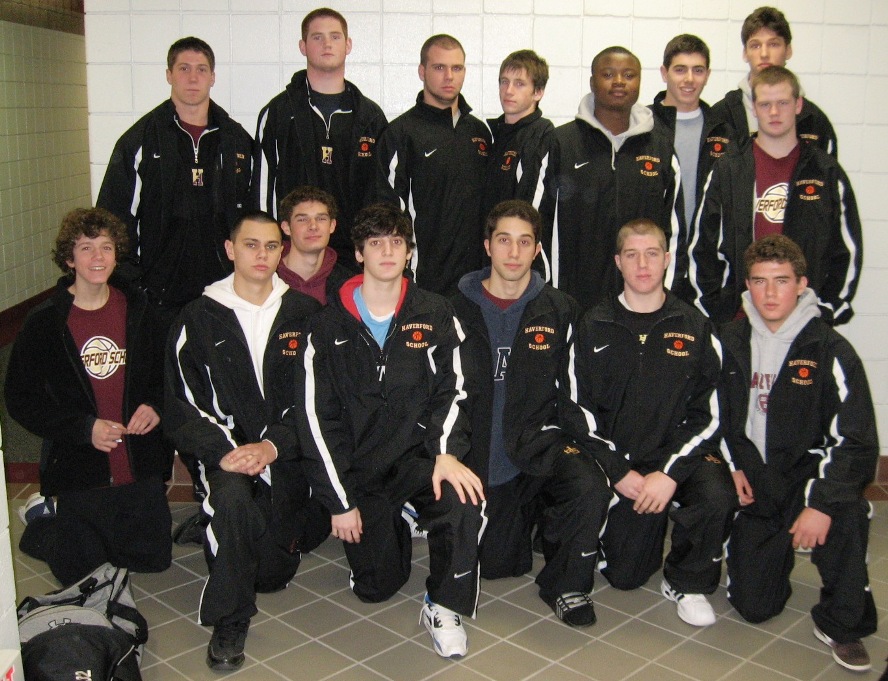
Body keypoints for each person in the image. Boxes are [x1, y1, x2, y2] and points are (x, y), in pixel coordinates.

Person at [298, 202, 485, 658]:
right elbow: (316, 418)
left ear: (408, 252)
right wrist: (341, 502)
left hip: (419, 458)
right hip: (362, 470)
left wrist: (445, 453)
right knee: (376, 587)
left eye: (397, 242)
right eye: (376, 242)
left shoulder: (435, 312)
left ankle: (444, 605)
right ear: (358, 253)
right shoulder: (326, 326)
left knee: (462, 499)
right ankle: (392, 521)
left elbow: (456, 389)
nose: (387, 251)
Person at [165, 212, 330, 671]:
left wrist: (273, 446)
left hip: (286, 454)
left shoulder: (304, 314)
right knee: (234, 500)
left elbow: (318, 396)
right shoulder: (197, 317)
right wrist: (226, 452)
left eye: (272, 246)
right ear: (230, 249)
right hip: (227, 457)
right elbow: (182, 404)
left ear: (282, 252)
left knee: (273, 574)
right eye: (251, 245)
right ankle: (229, 618)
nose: (262, 255)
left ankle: (228, 527)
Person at [563, 219, 736, 627]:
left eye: (652, 254)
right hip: (621, 463)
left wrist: (669, 473)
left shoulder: (694, 325)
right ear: (618, 262)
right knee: (625, 576)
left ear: (667, 259)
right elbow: (575, 409)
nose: (642, 265)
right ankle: (622, 528)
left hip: (677, 459)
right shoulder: (593, 324)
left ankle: (687, 581)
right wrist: (617, 471)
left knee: (717, 494)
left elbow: (711, 412)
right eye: (632, 255)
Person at [719, 234, 878, 673]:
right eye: (759, 281)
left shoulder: (830, 350)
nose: (769, 293)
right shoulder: (727, 341)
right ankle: (757, 548)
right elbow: (710, 414)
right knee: (754, 606)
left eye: (782, 281)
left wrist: (820, 504)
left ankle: (842, 623)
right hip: (755, 479)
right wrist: (731, 466)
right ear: (747, 285)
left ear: (802, 284)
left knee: (846, 511)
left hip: (808, 476)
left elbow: (857, 441)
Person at [452, 200, 610, 628]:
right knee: (499, 564)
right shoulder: (453, 309)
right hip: (479, 452)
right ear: (488, 246)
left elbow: (576, 392)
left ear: (538, 250)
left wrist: (593, 451)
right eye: (504, 240)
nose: (514, 252)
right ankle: (525, 525)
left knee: (588, 484)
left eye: (525, 242)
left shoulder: (561, 309)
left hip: (541, 445)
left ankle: (567, 585)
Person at [5, 207, 173, 587]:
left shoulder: (139, 310)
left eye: (106, 247)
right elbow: (20, 399)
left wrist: (155, 406)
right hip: (80, 462)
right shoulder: (44, 322)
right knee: (84, 569)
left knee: (152, 559)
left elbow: (167, 375)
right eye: (86, 248)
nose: (98, 257)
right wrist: (84, 428)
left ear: (116, 254)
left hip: (136, 458)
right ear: (69, 259)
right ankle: (42, 521)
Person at [97, 36, 253, 330]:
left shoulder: (237, 140)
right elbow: (113, 215)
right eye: (184, 69)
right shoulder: (140, 140)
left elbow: (252, 213)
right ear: (169, 75)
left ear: (212, 77)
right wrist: (133, 280)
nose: (193, 78)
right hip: (158, 293)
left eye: (201, 69)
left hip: (225, 285)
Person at [689, 66, 862, 326]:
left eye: (782, 103)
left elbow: (846, 250)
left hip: (804, 319)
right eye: (765, 104)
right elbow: (704, 247)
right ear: (753, 108)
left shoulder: (825, 172)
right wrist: (717, 312)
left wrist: (825, 309)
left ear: (798, 105)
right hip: (740, 320)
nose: (773, 112)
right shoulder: (729, 170)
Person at [537, 47, 681, 309]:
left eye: (629, 75)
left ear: (639, 83)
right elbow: (537, 223)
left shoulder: (661, 149)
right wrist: (548, 293)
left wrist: (663, 294)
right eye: (608, 74)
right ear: (593, 82)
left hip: (642, 303)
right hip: (573, 301)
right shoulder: (562, 143)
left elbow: (673, 231)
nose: (619, 82)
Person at [254, 7, 386, 272]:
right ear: (303, 46)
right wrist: (271, 249)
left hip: (355, 258)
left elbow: (381, 191)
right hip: (294, 256)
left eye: (335, 36)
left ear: (348, 45)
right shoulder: (279, 113)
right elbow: (263, 190)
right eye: (317, 37)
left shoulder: (370, 116)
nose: (327, 44)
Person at [376, 34, 492, 296]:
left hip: (477, 280)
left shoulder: (479, 133)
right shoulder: (401, 134)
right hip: (423, 280)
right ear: (422, 71)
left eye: (457, 68)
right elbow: (387, 212)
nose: (449, 76)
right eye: (439, 67)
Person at [650, 34, 735, 302]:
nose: (689, 79)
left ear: (707, 75)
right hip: (652, 263)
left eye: (698, 70)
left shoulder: (724, 132)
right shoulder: (643, 126)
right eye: (680, 70)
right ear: (664, 73)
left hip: (708, 267)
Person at [710, 6, 837, 156]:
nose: (764, 54)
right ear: (745, 53)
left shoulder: (814, 120)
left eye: (773, 44)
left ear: (788, 50)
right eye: (755, 45)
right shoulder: (720, 116)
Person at [483, 51, 553, 223]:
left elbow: (530, 210)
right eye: (504, 82)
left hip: (517, 238)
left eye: (519, 84)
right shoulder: (497, 135)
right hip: (492, 237)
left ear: (538, 92)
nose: (508, 91)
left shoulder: (541, 135)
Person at [276, 186, 352, 304]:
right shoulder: (267, 278)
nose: (313, 226)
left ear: (332, 226)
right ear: (286, 228)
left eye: (321, 219)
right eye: (302, 219)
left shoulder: (348, 284)